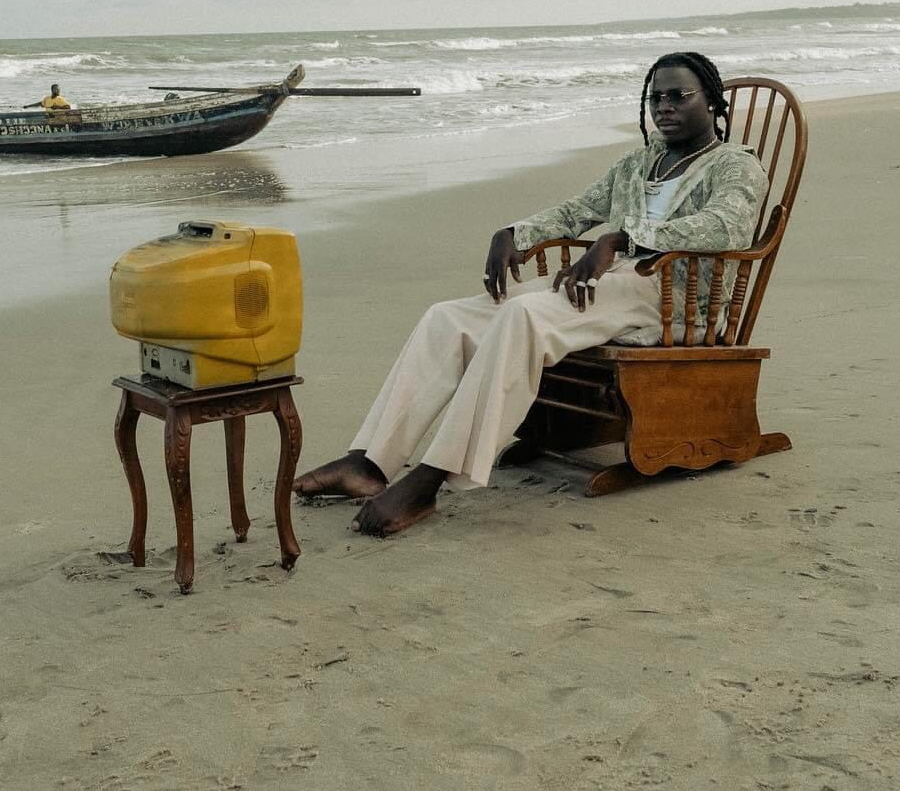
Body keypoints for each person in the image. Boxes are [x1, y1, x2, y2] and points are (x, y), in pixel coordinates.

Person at [293, 51, 770, 536]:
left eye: (679, 96)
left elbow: (726, 227)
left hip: (676, 297)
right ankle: (370, 462)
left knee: (524, 315)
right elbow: (579, 209)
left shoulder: (735, 165)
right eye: (656, 97)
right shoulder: (639, 163)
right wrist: (515, 232)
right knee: (448, 317)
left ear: (712, 101)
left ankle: (428, 480)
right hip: (614, 284)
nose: (664, 107)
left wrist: (621, 238)